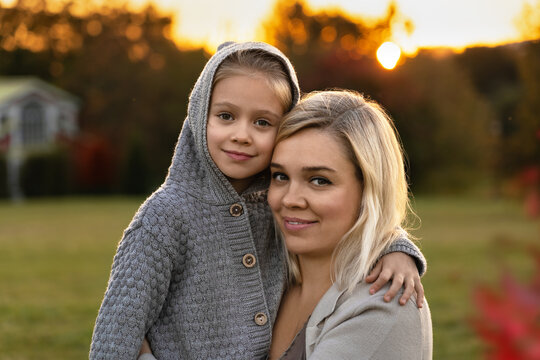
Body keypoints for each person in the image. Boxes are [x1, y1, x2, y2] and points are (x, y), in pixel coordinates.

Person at [89, 42, 427, 359]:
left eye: (262, 122)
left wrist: (397, 248)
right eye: (225, 116)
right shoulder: (164, 217)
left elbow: (372, 217)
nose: (241, 134)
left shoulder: (380, 304)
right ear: (197, 115)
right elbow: (113, 335)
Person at [268, 90, 433, 359]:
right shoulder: (264, 277)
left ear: (369, 190)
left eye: (319, 180)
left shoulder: (384, 305)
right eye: (280, 176)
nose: (290, 199)